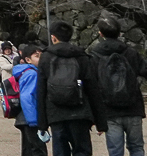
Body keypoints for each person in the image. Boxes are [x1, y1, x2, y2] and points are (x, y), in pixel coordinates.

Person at [36, 20, 106, 156]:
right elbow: (93, 89)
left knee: (60, 151)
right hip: (80, 112)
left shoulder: (46, 57)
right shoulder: (81, 56)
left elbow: (41, 90)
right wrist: (100, 121)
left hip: (55, 113)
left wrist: (42, 123)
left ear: (53, 37)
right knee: (82, 150)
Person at [87, 18, 147, 156]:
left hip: (109, 109)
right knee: (136, 148)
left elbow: (91, 85)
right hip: (133, 107)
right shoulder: (130, 52)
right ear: (119, 33)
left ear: (101, 34)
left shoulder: (94, 55)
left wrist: (95, 115)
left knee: (115, 151)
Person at [13, 43, 47, 156]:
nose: (41, 59)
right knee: (37, 149)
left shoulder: (24, 72)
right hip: (30, 117)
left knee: (28, 149)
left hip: (24, 117)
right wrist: (34, 120)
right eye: (37, 56)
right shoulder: (32, 74)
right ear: (28, 59)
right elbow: (27, 96)